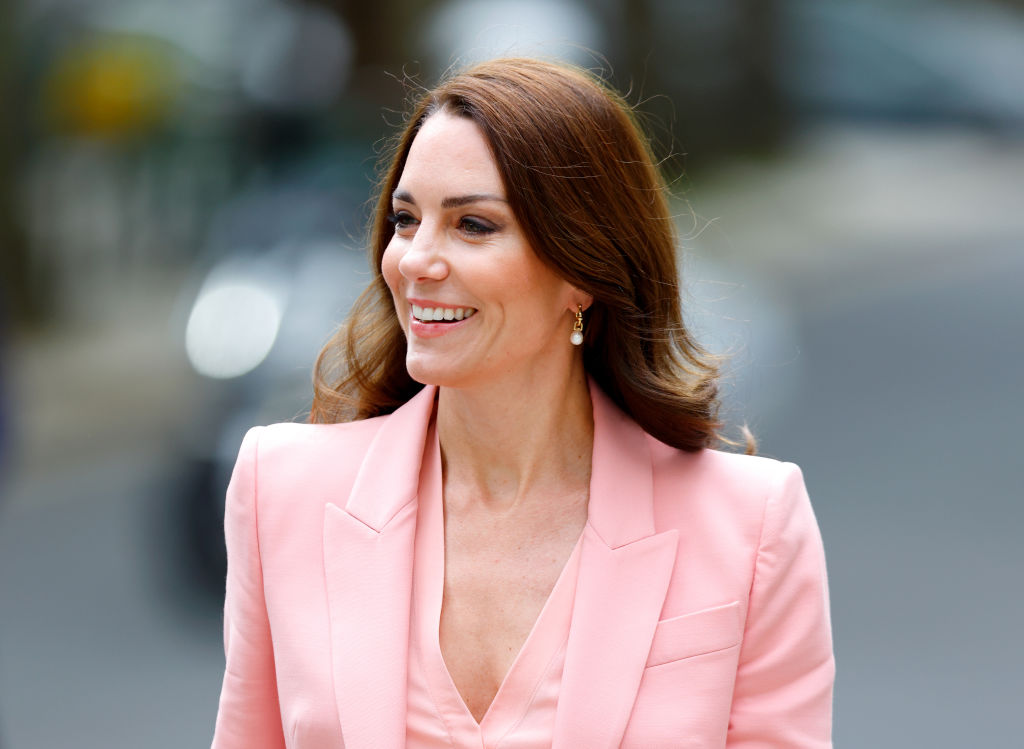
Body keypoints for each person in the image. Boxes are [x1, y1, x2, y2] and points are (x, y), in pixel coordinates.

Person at [210, 57, 834, 748]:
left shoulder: (751, 524)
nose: (415, 259)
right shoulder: (281, 487)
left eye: (473, 225)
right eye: (406, 218)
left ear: (582, 269)